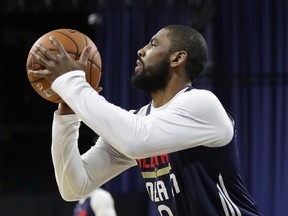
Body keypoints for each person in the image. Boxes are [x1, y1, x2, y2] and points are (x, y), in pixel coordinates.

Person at [29, 25, 262, 215]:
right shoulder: (141, 121)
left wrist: (72, 82)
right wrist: (68, 113)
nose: (140, 50)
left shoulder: (202, 104)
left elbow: (135, 139)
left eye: (153, 44)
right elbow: (74, 187)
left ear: (177, 58)